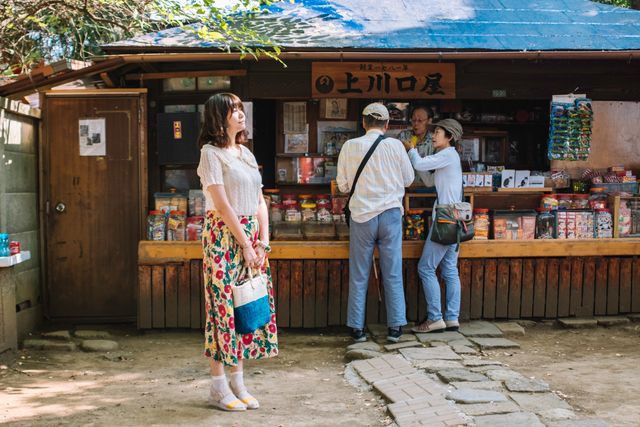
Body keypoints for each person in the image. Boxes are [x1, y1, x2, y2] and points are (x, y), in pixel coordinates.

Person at [196, 93, 278, 411]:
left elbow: (259, 201)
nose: (241, 114)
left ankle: (238, 382)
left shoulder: (244, 152)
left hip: (250, 237)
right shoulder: (210, 154)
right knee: (222, 310)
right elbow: (222, 204)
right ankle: (219, 387)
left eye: (241, 109)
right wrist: (245, 243)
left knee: (244, 306)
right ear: (219, 116)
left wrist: (262, 242)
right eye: (234, 110)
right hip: (222, 236)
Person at [337, 103, 415, 343]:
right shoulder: (395, 146)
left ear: (363, 123)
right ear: (387, 125)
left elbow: (343, 186)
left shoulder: (350, 146)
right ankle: (395, 328)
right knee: (392, 273)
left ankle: (357, 329)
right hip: (391, 214)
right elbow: (409, 180)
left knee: (360, 274)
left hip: (362, 216)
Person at [402, 118, 464, 333]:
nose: (434, 135)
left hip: (445, 218)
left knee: (426, 268)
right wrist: (417, 158)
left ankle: (436, 318)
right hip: (456, 218)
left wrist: (411, 150)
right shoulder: (449, 157)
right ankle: (452, 318)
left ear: (450, 137)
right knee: (449, 269)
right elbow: (429, 181)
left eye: (438, 132)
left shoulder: (447, 154)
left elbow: (419, 164)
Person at [399, 106, 436, 186]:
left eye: (420, 121)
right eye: (413, 120)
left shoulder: (435, 140)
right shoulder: (404, 137)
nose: (416, 124)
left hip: (428, 187)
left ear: (429, 121)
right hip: (406, 186)